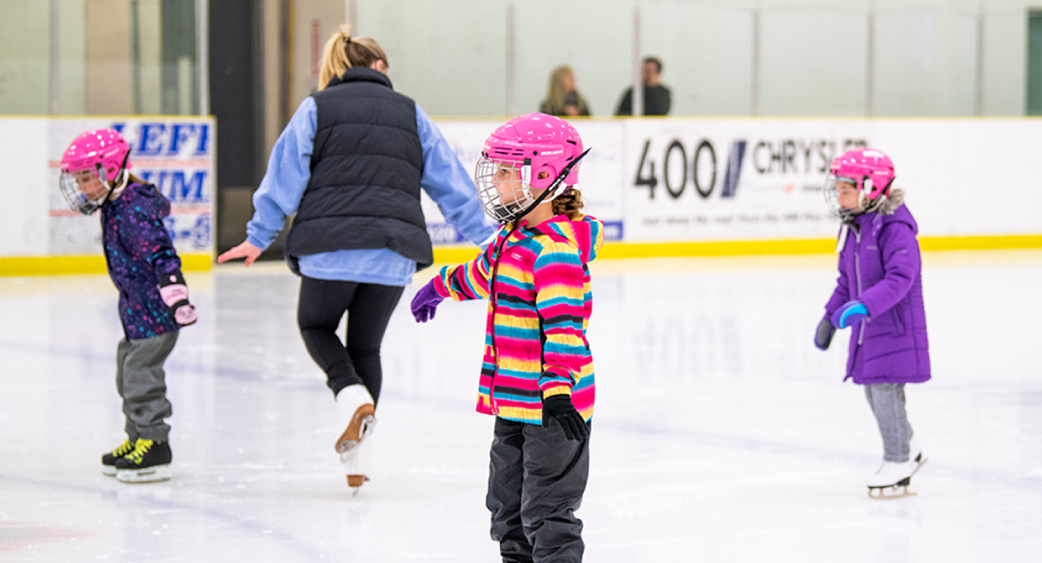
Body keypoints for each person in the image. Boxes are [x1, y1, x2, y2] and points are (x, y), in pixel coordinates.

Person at [216, 25, 493, 492]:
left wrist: (259, 235)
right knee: (366, 348)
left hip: (330, 247)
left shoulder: (316, 108)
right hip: (393, 252)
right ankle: (357, 461)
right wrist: (488, 239)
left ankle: (350, 397)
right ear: (380, 67)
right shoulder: (411, 113)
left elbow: (285, 173)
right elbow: (450, 182)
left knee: (316, 327)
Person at [410, 113, 602, 562]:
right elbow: (485, 275)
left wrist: (556, 390)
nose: (494, 180)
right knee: (507, 510)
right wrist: (440, 287)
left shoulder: (554, 252)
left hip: (557, 405)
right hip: (515, 399)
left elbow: (565, 328)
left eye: (504, 170)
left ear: (542, 175)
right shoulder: (512, 237)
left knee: (547, 514)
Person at [58, 129, 198, 484]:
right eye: (79, 179)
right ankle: (136, 438)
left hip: (156, 313)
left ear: (110, 169)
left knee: (140, 376)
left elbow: (163, 253)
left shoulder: (134, 208)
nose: (84, 187)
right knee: (127, 371)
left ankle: (155, 445)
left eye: (87, 178)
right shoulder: (115, 205)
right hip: (137, 314)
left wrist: (176, 295)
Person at [815, 148, 930, 499]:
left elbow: (901, 278)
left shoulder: (895, 227)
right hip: (871, 331)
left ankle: (898, 460)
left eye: (846, 190)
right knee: (876, 391)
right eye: (837, 189)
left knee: (884, 391)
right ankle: (907, 446)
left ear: (870, 188)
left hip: (893, 327)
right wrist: (829, 316)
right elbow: (846, 281)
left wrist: (864, 307)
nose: (839, 196)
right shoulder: (855, 227)